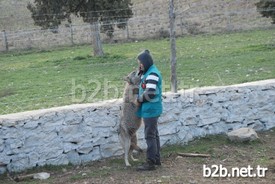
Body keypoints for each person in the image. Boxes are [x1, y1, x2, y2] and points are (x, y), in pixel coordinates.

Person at [135, 50, 163, 171]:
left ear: (145, 62)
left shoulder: (152, 74)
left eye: (140, 63)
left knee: (149, 135)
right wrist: (141, 72)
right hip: (150, 109)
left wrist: (139, 100)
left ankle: (150, 162)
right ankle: (156, 159)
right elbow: (141, 81)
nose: (139, 65)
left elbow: (150, 93)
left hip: (151, 109)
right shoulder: (149, 72)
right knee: (154, 134)